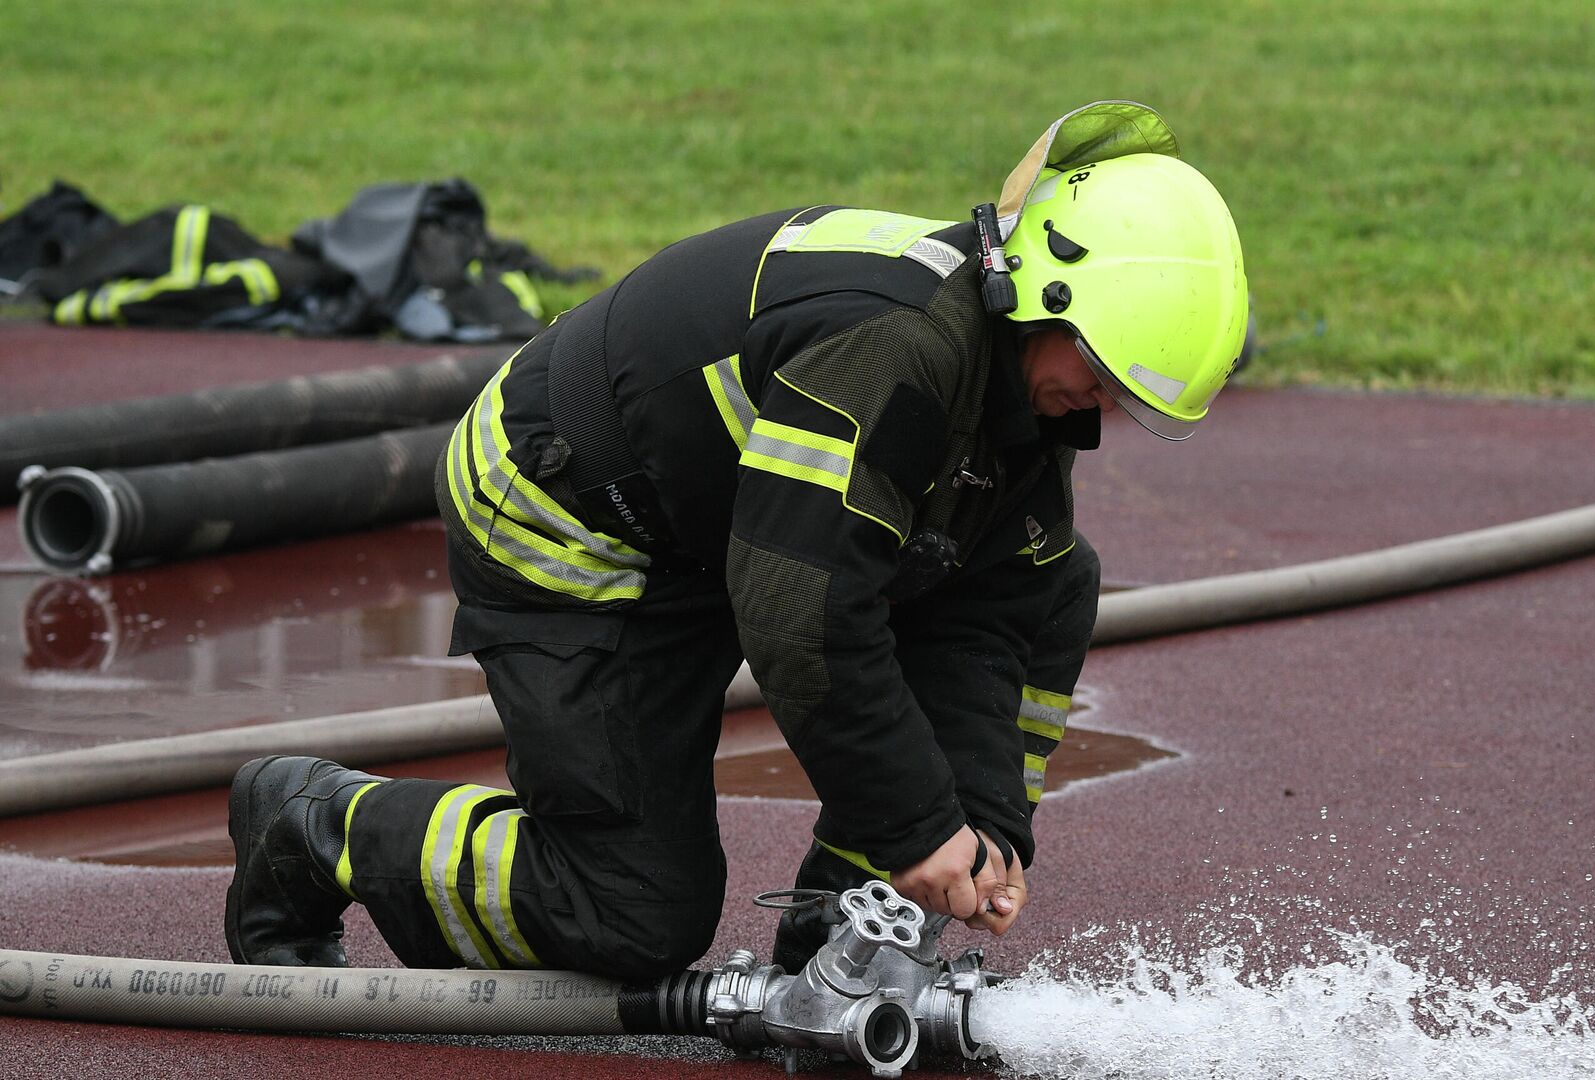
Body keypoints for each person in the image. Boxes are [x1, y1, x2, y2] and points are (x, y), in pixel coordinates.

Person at [224, 101, 1248, 980]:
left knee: (1048, 578)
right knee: (631, 909)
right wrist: (913, 827)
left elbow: (992, 609)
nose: (1102, 407)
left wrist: (976, 828)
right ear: (1045, 293)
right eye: (1104, 371)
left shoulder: (1011, 378)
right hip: (570, 515)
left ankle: (844, 925)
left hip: (721, 526)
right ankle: (316, 825)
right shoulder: (891, 350)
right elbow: (801, 617)